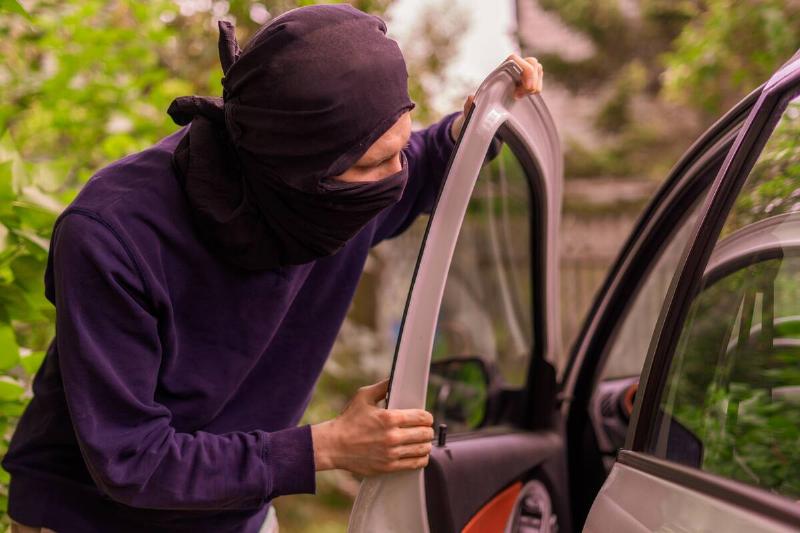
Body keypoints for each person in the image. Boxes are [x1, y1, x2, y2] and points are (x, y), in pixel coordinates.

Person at [1, 4, 543, 532]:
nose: (394, 178)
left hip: (242, 511)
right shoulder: (115, 235)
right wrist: (325, 446)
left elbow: (419, 164)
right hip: (90, 518)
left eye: (400, 148)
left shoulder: (335, 197)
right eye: (374, 163)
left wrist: (471, 132)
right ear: (297, 171)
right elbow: (130, 459)